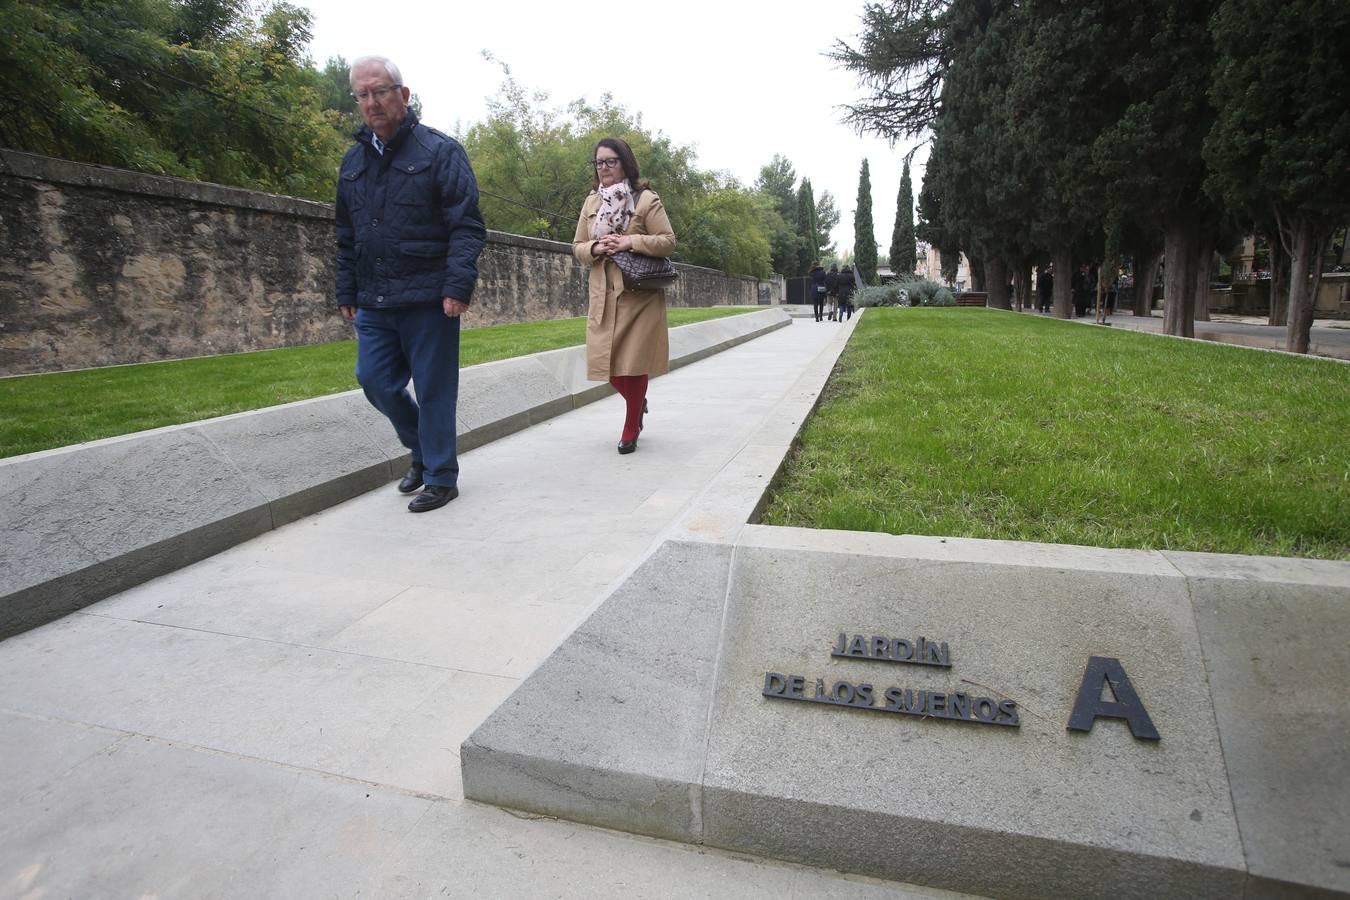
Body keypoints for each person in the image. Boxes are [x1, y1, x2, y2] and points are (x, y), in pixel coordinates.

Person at [336, 56, 487, 513]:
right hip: (374, 297)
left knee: (435, 387)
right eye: (362, 94)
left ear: (403, 95)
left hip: (429, 295)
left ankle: (441, 476)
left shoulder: (440, 151)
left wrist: (457, 285)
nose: (371, 102)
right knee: (374, 381)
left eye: (380, 91)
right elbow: (345, 233)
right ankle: (423, 450)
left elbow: (467, 225)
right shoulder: (353, 161)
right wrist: (346, 290)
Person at [572, 137, 676, 455]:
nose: (603, 167)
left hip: (638, 294)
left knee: (632, 364)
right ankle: (637, 400)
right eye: (599, 162)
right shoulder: (592, 203)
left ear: (624, 163)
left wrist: (630, 241)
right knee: (608, 368)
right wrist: (595, 247)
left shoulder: (646, 200)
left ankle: (631, 427)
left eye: (610, 161)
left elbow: (668, 241)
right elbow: (576, 246)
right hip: (603, 294)